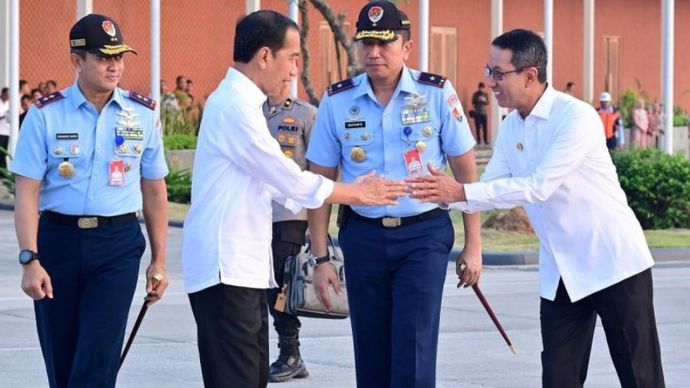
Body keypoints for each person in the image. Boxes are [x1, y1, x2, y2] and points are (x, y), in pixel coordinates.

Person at [408, 29, 665, 388]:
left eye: (499, 73)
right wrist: (443, 193)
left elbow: (537, 187)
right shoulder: (512, 125)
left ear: (530, 75)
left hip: (614, 262)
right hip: (562, 271)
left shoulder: (575, 117)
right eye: (489, 71)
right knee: (558, 377)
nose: (492, 82)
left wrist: (459, 191)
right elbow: (489, 186)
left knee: (639, 376)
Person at [181, 10, 407, 388]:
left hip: (244, 267)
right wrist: (355, 192)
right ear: (265, 57)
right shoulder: (234, 106)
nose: (293, 71)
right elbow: (285, 177)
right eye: (291, 58)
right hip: (226, 268)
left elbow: (273, 185)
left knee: (251, 377)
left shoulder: (245, 103)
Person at [306, 2, 482, 387]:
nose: (374, 53)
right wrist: (320, 257)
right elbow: (318, 183)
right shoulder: (337, 101)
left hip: (423, 235)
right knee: (370, 349)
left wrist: (474, 244)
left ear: (407, 46)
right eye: (366, 43)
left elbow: (466, 173)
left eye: (385, 44)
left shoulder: (436, 94)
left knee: (414, 346)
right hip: (363, 237)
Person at [11, 14, 170, 388]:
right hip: (57, 243)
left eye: (119, 56)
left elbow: (154, 189)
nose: (114, 65)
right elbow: (27, 191)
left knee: (98, 358)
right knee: (62, 361)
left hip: (116, 245)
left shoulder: (142, 114)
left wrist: (160, 259)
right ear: (77, 60)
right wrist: (29, 258)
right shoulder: (45, 114)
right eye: (102, 57)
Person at [262, 83, 316, 383]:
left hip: (290, 215)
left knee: (283, 284)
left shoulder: (306, 115)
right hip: (254, 213)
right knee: (258, 285)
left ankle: (290, 353)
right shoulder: (250, 112)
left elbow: (319, 167)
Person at [0, 87, 9, 169]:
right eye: (7, 94)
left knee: (5, 152)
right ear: (2, 93)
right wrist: (3, 115)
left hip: (7, 131)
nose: (8, 96)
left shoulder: (9, 103)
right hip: (0, 131)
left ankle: (4, 169)